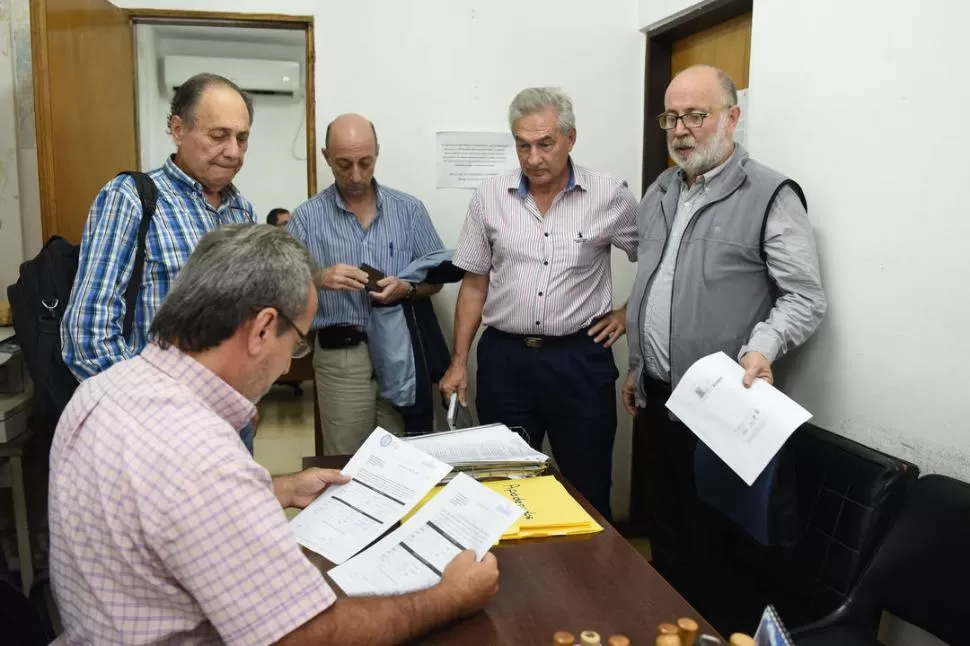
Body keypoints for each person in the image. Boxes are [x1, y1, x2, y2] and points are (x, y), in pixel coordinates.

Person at [48, 224, 500, 645]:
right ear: (263, 328)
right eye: (298, 340)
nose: (289, 362)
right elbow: (305, 636)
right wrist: (448, 597)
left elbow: (154, 503)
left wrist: (273, 489)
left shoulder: (101, 391)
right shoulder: (203, 456)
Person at [622, 65, 827, 577]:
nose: (681, 129)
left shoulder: (771, 194)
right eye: (671, 117)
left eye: (696, 115)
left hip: (720, 404)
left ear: (732, 118)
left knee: (713, 543)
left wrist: (764, 346)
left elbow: (803, 296)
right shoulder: (661, 190)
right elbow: (654, 284)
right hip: (655, 394)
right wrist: (636, 366)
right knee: (663, 527)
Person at [439, 87, 638, 520]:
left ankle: (589, 586)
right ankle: (513, 585)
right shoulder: (489, 196)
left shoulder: (609, 195)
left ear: (570, 138)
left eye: (545, 144)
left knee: (587, 489)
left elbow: (658, 260)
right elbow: (474, 283)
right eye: (522, 144)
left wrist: (626, 314)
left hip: (579, 362)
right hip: (505, 362)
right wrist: (458, 361)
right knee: (504, 488)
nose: (532, 158)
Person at [60, 72, 260, 452]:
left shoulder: (241, 209)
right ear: (177, 129)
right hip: (157, 433)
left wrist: (245, 398)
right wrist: (154, 417)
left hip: (229, 426)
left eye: (242, 137)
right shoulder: (132, 198)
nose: (233, 151)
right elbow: (87, 335)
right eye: (218, 136)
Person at [288, 114, 447, 454]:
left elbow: (436, 279)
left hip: (401, 352)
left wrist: (407, 289)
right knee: (346, 462)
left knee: (403, 458)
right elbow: (282, 288)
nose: (356, 175)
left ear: (377, 152)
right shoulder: (306, 217)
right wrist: (318, 279)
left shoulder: (409, 211)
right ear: (326, 156)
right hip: (340, 356)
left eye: (365, 162)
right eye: (344, 164)